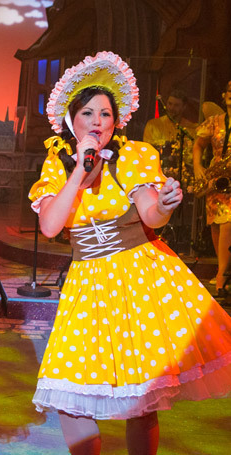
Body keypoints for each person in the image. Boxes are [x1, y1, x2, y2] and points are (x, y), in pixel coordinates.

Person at [29, 51, 231, 454]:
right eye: (88, 113)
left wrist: (167, 204)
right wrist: (78, 173)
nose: (98, 122)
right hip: (88, 286)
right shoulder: (59, 164)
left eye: (105, 114)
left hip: (138, 278)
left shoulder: (135, 156)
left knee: (140, 399)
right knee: (68, 394)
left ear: (115, 120)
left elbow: (151, 216)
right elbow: (51, 225)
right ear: (72, 120)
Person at [192, 80, 231, 296]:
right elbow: (198, 145)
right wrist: (198, 165)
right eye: (229, 91)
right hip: (217, 176)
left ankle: (221, 279)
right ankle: (223, 270)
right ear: (224, 95)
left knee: (227, 222)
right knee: (216, 226)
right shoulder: (214, 121)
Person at [143, 89, 197, 188]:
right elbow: (147, 151)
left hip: (183, 179)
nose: (171, 108)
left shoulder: (191, 128)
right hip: (158, 175)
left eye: (176, 105)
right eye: (170, 104)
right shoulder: (153, 125)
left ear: (184, 107)